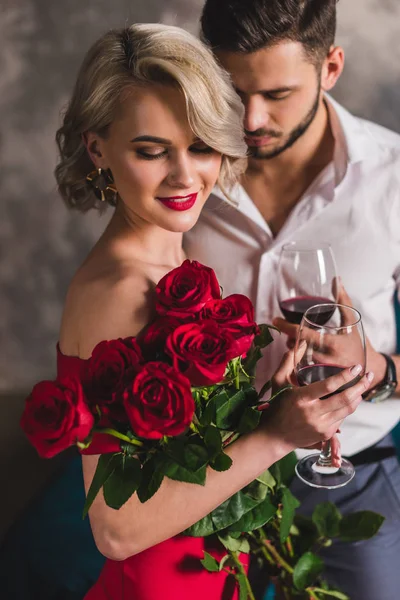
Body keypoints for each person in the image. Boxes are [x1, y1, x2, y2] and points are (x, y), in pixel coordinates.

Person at [20, 21, 370, 600]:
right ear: (97, 148)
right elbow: (116, 529)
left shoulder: (167, 254)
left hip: (206, 572)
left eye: (202, 146)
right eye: (151, 151)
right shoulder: (118, 288)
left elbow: (174, 451)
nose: (186, 177)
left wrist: (268, 407)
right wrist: (277, 438)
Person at [183, 1, 400, 599]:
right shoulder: (182, 172)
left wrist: (376, 369)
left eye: (277, 94)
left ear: (331, 67)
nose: (250, 119)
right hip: (210, 471)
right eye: (233, 89)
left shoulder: (394, 180)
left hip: (351, 472)